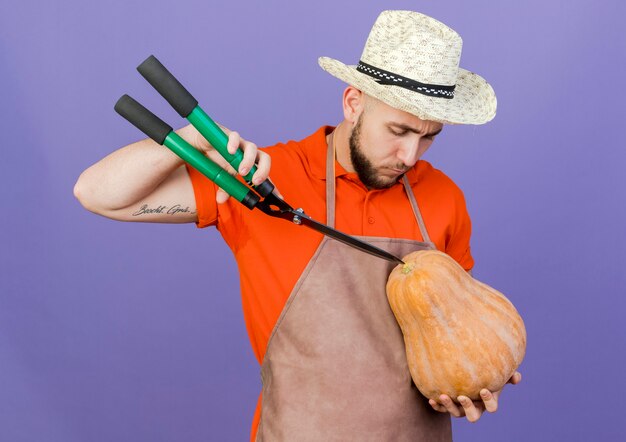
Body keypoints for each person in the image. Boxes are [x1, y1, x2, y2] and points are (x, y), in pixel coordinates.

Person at [74, 10, 522, 442]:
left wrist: (473, 378)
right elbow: (97, 194)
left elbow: (455, 332)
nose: (411, 156)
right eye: (399, 130)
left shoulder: (445, 197)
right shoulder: (260, 180)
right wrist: (190, 141)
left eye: (428, 137)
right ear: (353, 103)